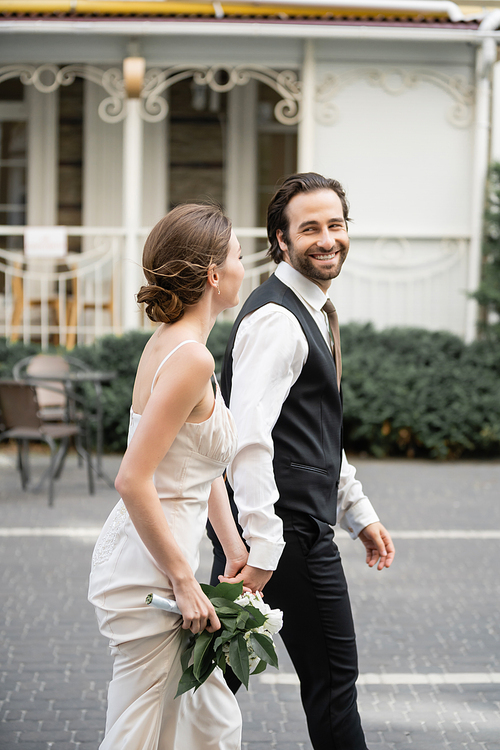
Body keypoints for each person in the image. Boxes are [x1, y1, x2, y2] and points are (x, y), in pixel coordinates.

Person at [209, 173, 395, 750]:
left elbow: (315, 429)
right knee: (332, 682)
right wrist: (265, 546)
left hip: (286, 526)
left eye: (335, 225)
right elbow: (249, 439)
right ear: (281, 241)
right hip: (282, 532)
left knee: (213, 684)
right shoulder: (278, 318)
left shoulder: (312, 311)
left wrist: (357, 510)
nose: (327, 238)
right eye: (309, 227)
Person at [88, 203, 248, 750]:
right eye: (239, 257)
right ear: (213, 275)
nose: (244, 268)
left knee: (206, 726)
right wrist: (183, 579)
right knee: (139, 735)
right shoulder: (190, 358)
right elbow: (134, 479)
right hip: (152, 576)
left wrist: (231, 545)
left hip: (162, 561)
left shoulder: (175, 345)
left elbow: (194, 464)